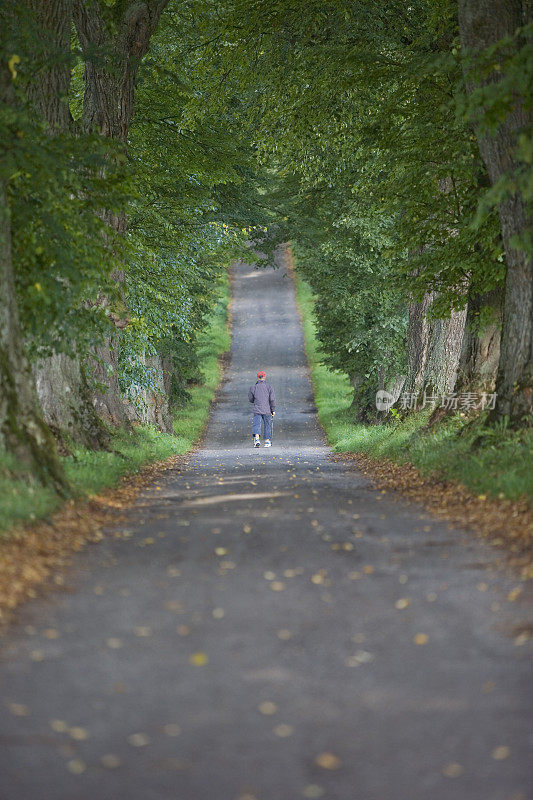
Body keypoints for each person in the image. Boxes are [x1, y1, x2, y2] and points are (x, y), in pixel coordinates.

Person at [248, 370, 275, 447]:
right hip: (267, 410)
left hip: (257, 409)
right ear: (264, 377)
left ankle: (256, 439)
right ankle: (267, 441)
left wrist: (256, 400)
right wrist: (272, 410)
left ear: (257, 378)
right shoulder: (269, 387)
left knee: (257, 424)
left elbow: (251, 399)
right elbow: (272, 400)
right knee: (267, 425)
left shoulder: (253, 388)